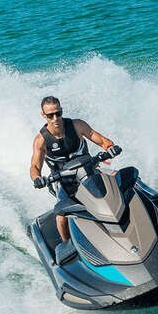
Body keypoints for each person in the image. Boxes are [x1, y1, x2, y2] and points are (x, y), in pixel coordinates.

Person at [29, 96, 121, 242]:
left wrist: (111, 147)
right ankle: (68, 243)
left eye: (58, 113)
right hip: (64, 181)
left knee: (119, 180)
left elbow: (102, 141)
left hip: (89, 172)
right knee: (61, 216)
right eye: (50, 115)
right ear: (43, 115)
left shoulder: (77, 125)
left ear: (61, 111)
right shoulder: (41, 140)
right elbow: (34, 166)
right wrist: (37, 179)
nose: (55, 119)